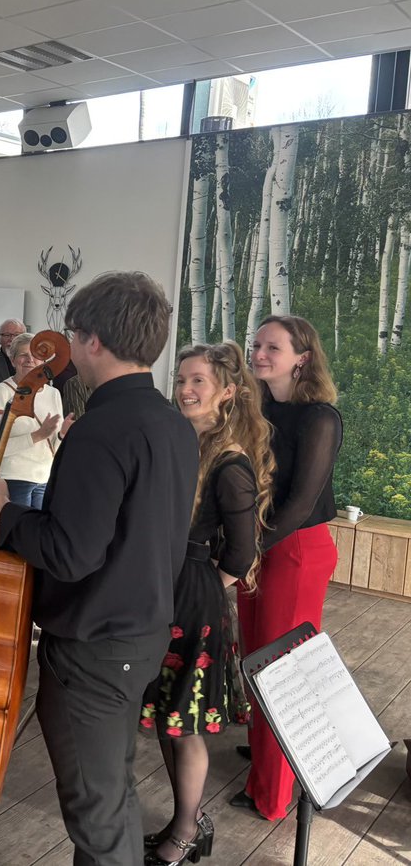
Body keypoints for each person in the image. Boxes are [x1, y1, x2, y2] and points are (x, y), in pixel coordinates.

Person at [0, 271, 199, 866]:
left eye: (73, 334)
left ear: (92, 340)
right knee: (112, 791)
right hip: (140, 633)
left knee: (97, 818)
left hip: (94, 647)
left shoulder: (102, 428)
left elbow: (72, 552)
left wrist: (4, 510)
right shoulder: (172, 422)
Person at [141, 341, 273, 865]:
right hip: (163, 592)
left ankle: (186, 831)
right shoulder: (180, 442)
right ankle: (186, 820)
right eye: (182, 380)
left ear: (227, 392)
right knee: (165, 718)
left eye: (198, 381)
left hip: (193, 601)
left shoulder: (230, 464)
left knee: (185, 724)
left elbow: (240, 556)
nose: (186, 390)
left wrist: (199, 587)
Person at [235, 314, 343, 821]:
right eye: (256, 344)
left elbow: (301, 503)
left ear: (302, 357)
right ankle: (262, 755)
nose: (259, 353)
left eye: (272, 347)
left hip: (295, 550)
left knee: (283, 674)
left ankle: (273, 795)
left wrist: (246, 552)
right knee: (255, 662)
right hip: (260, 545)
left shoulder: (319, 416)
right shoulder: (262, 409)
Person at [0, 332, 70, 509]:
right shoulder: (1, 391)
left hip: (45, 478)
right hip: (13, 478)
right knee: (16, 534)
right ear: (13, 360)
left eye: (36, 356)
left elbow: (53, 445)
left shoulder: (53, 394)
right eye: (23, 355)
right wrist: (37, 435)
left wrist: (61, 435)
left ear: (44, 361)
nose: (30, 360)